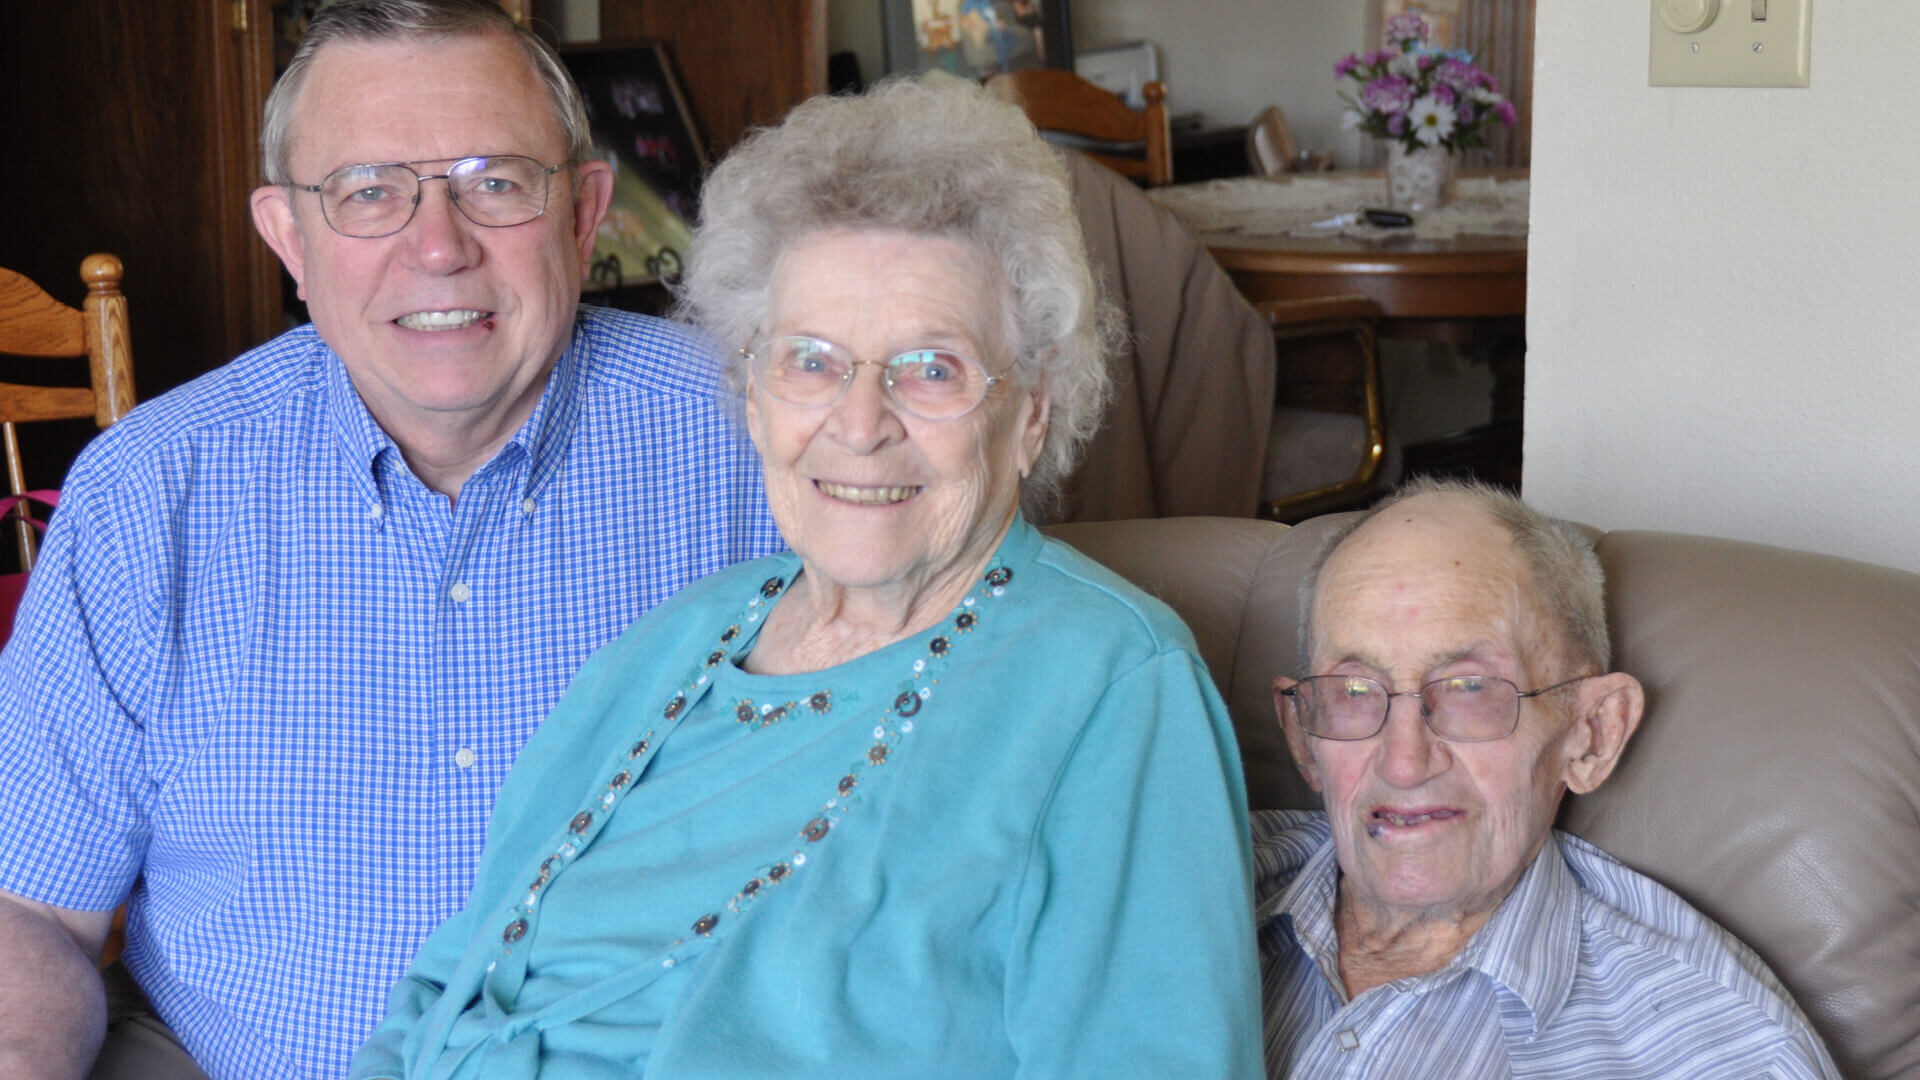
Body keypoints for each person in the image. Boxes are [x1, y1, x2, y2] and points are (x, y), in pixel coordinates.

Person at [348, 73, 1262, 1080]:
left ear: (1032, 411)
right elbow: (450, 985)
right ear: (751, 392)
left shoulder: (1110, 686)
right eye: (812, 362)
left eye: (931, 369)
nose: (861, 424)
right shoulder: (676, 642)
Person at [0, 2, 780, 1077]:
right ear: (289, 238)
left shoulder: (765, 443)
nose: (437, 245)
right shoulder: (148, 495)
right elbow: (27, 912)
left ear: (585, 211)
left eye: (494, 183)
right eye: (368, 193)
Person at [1255, 478, 1840, 1078]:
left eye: (1470, 689)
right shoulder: (1188, 881)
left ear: (1591, 734)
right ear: (1303, 734)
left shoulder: (1720, 1055)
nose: (1403, 763)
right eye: (1353, 691)